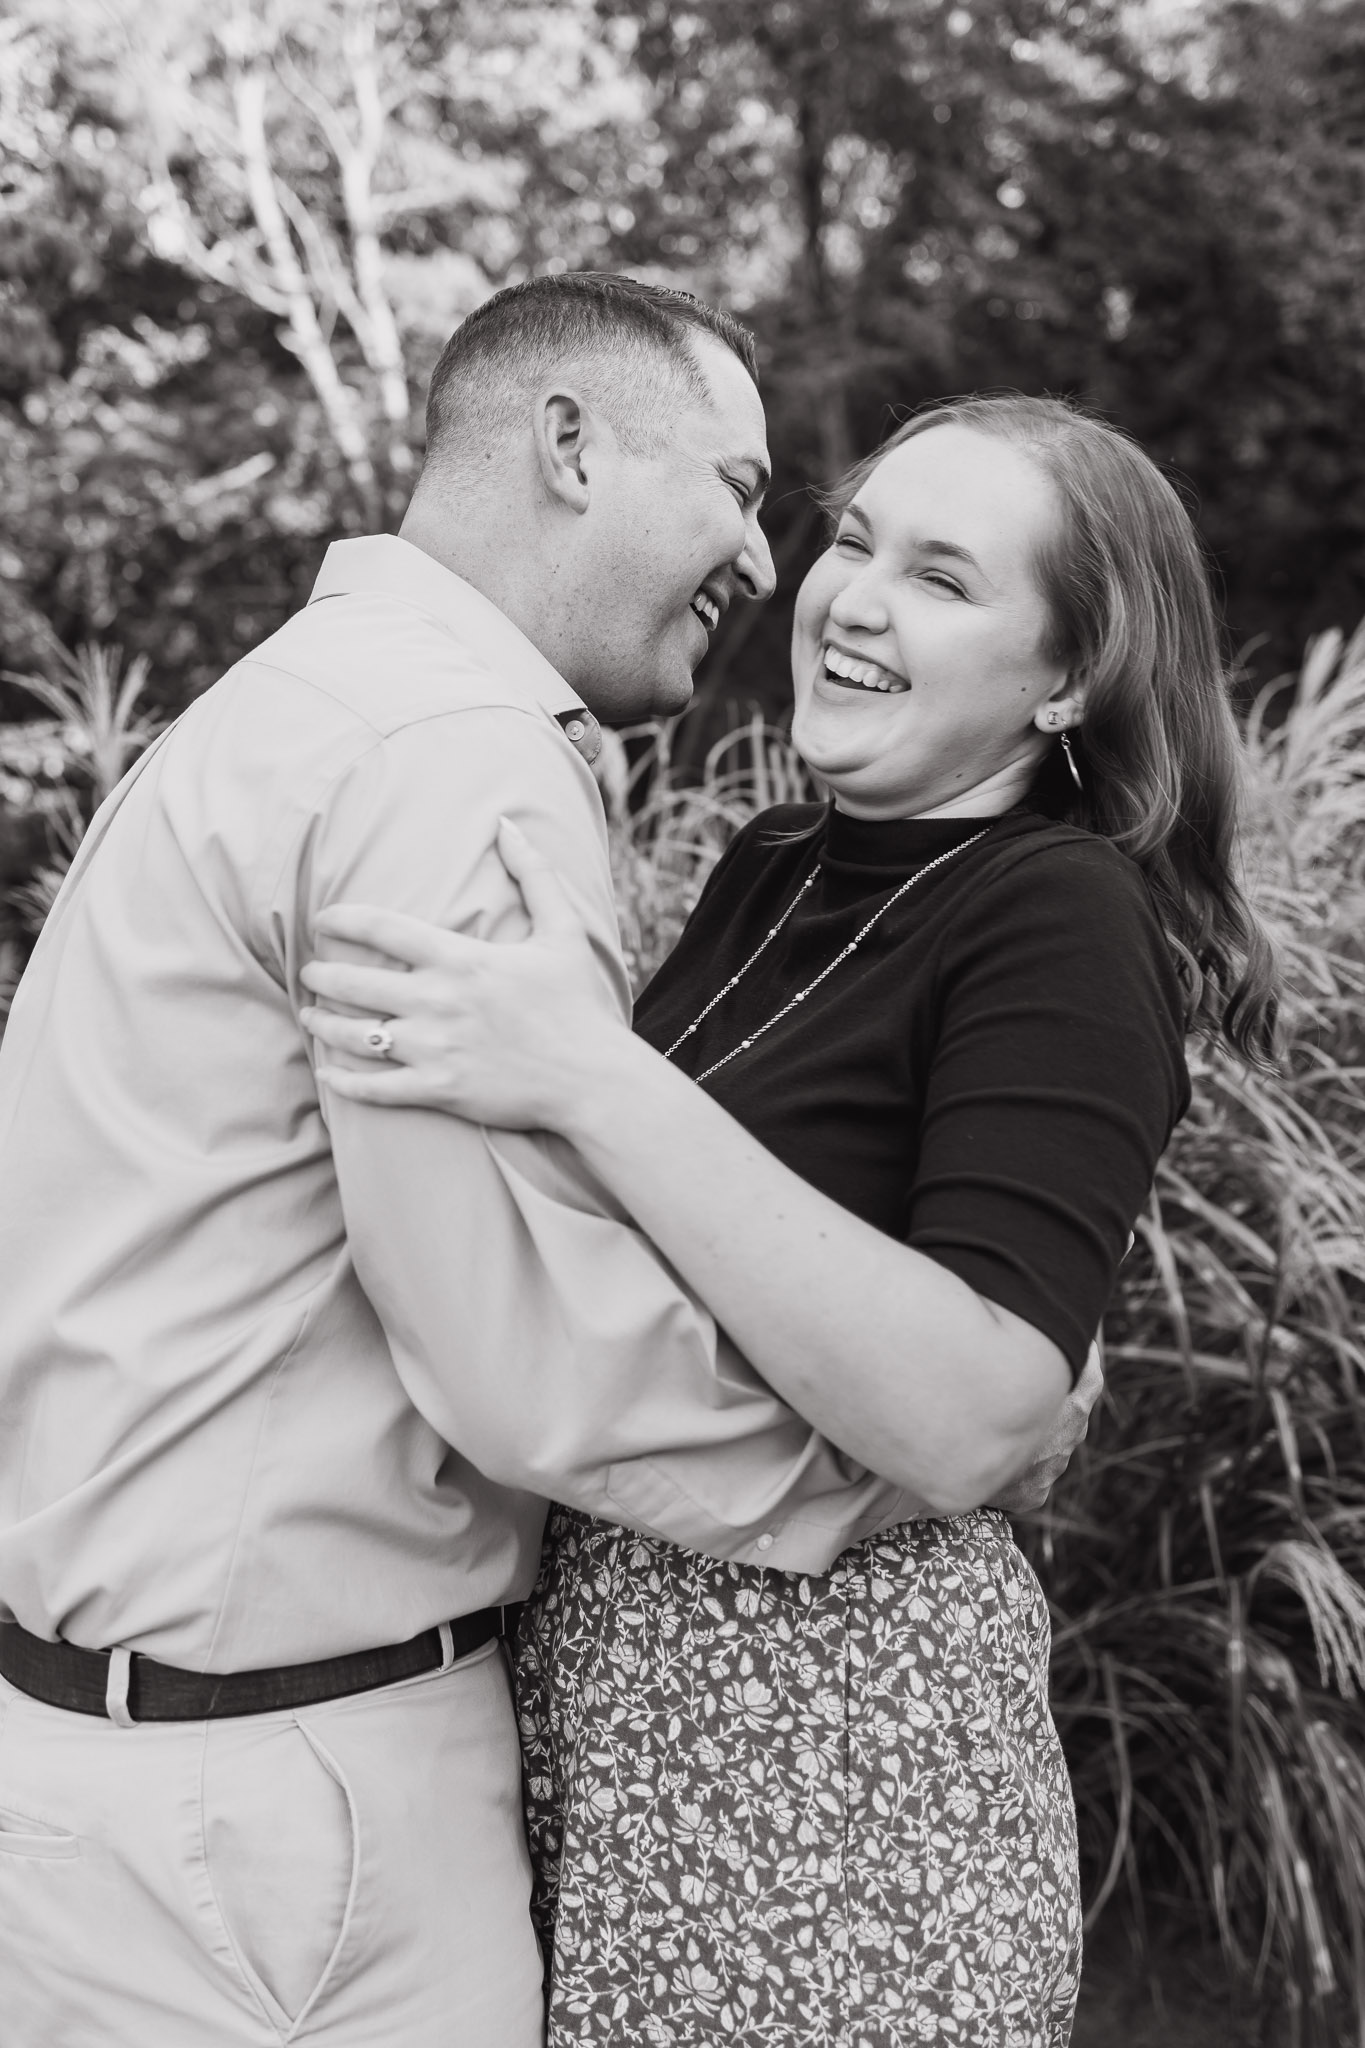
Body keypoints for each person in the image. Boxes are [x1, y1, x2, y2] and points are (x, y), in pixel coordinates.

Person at [0, 278, 1088, 2047]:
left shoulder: (277, 709)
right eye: (743, 489)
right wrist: (930, 1445)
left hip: (113, 1764)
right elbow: (526, 1354)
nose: (769, 560)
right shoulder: (456, 758)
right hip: (284, 1815)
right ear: (571, 445)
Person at [299, 393, 1280, 2046]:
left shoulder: (1058, 913)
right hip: (622, 1727)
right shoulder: (777, 860)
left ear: (1065, 681)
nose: (853, 599)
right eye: (854, 542)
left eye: (942, 578)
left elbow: (975, 1412)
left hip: (831, 1770)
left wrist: (592, 1076)